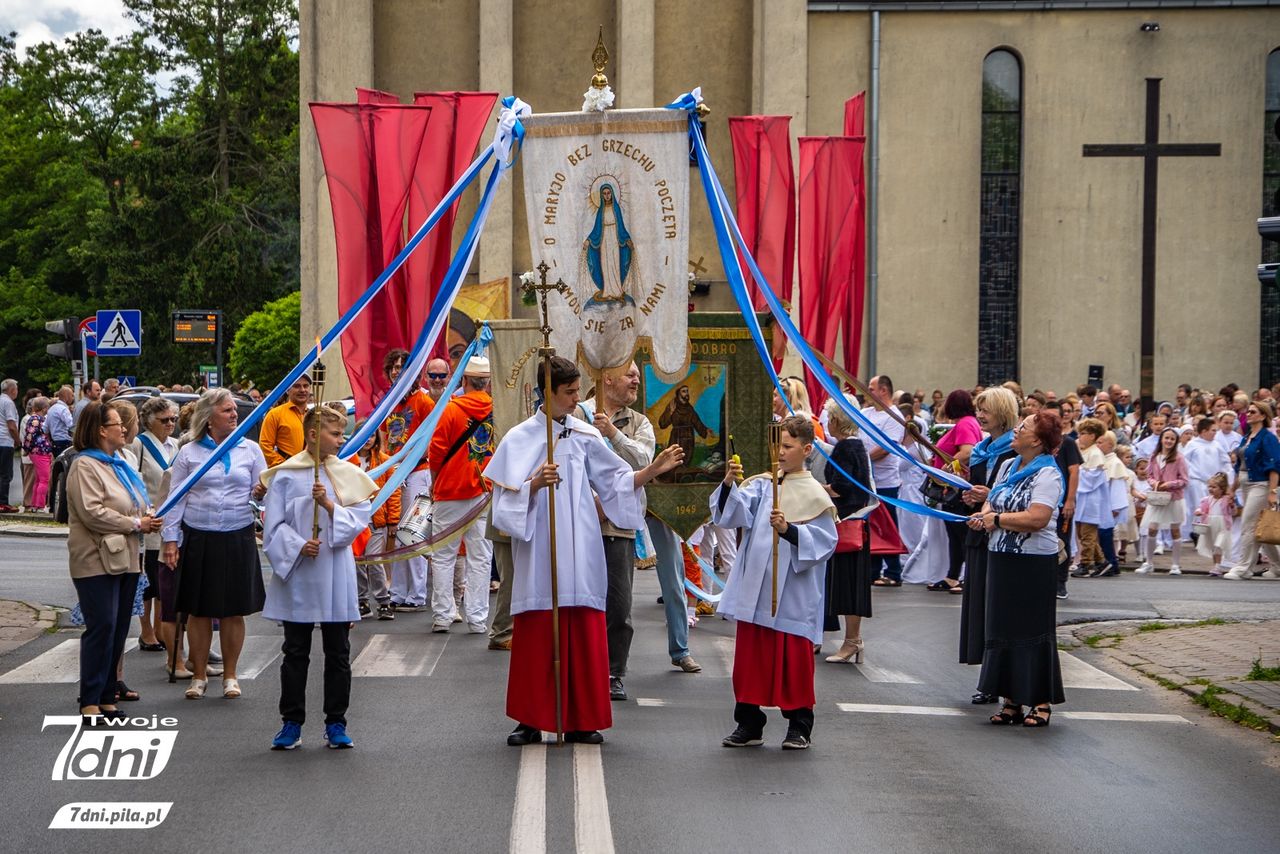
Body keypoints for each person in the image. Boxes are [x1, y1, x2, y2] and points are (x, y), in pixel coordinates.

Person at [485, 356, 682, 747]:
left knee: (582, 632)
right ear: (548, 393)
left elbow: (617, 483)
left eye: (578, 391)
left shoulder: (585, 434)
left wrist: (651, 472)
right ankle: (530, 718)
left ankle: (581, 718)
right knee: (539, 632)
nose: (579, 399)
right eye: (570, 392)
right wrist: (534, 484)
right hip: (541, 552)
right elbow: (502, 505)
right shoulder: (520, 438)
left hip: (582, 550)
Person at [713, 415, 837, 750]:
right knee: (751, 661)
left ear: (807, 449)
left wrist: (790, 531)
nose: (779, 452)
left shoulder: (815, 495)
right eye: (777, 444)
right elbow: (732, 515)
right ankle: (749, 722)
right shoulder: (763, 484)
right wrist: (729, 484)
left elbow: (826, 542)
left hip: (793, 593)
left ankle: (799, 724)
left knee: (793, 662)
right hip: (757, 590)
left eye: (787, 446)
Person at [261, 405, 377, 750]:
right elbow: (272, 528)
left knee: (338, 651)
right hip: (299, 571)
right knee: (295, 650)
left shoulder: (347, 473)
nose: (341, 441)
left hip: (334, 572)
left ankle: (336, 721)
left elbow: (359, 521)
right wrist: (298, 545)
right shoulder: (285, 475)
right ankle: (291, 722)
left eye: (341, 434)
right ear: (313, 435)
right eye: (335, 434)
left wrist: (328, 505)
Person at [161, 388, 268, 700]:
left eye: (235, 410)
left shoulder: (249, 449)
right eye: (227, 410)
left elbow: (260, 491)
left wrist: (260, 493)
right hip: (199, 535)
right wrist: (171, 539)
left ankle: (231, 675)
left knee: (234, 609)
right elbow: (175, 498)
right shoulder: (190, 453)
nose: (234, 415)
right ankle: (198, 675)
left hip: (238, 533)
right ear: (209, 417)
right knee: (199, 609)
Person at [64, 401, 162, 722]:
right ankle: (89, 699)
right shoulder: (85, 466)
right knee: (102, 626)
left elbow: (129, 504)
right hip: (95, 559)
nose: (124, 428)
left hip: (126, 558)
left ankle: (107, 696)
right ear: (101, 430)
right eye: (117, 423)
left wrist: (144, 516)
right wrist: (136, 524)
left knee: (118, 629)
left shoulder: (115, 464)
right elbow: (93, 512)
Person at [968, 410, 1066, 729]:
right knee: (1003, 626)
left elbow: (1038, 518)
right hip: (1002, 555)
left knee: (1031, 630)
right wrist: (984, 517)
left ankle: (1039, 700)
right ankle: (1010, 698)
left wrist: (996, 520)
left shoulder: (1048, 474)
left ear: (1036, 440)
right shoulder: (1010, 465)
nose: (1016, 429)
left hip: (1033, 561)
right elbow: (993, 501)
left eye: (1023, 427)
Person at [426, 355, 495, 634]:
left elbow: (436, 451)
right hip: (483, 490)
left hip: (450, 489)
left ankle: (443, 615)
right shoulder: (495, 409)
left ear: (463, 381)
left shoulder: (451, 410)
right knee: (481, 556)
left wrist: (434, 482)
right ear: (487, 382)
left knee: (444, 555)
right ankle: (477, 618)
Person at [959, 387, 1019, 703]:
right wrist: (971, 496)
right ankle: (988, 677)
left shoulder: (1014, 450)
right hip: (979, 530)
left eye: (986, 411)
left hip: (1000, 532)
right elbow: (980, 489)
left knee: (995, 608)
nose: (980, 416)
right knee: (980, 607)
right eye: (978, 410)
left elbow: (1008, 492)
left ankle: (996, 680)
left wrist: (987, 498)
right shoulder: (983, 449)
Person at [820, 396, 876, 665]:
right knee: (847, 583)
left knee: (847, 583)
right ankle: (851, 641)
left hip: (846, 522)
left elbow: (841, 487)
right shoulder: (856, 446)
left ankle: (852, 641)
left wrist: (816, 490)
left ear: (835, 420)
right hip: (854, 523)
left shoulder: (845, 448)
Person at [379, 348, 436, 612]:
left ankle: (416, 594)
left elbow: (431, 440)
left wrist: (408, 463)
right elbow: (383, 438)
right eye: (393, 366)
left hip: (416, 472)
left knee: (411, 532)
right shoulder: (389, 401)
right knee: (396, 533)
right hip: (394, 473)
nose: (396, 371)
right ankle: (399, 592)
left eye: (402, 367)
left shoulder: (423, 402)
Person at [131, 398, 180, 661]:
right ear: (149, 421)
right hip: (147, 518)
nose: (170, 424)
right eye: (164, 420)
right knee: (147, 579)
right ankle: (146, 630)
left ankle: (162, 628)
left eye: (173, 419)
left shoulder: (176, 445)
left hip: (169, 520)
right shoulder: (139, 444)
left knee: (164, 580)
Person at [929, 389, 980, 593]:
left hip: (956, 486)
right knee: (954, 534)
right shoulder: (967, 423)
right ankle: (952, 575)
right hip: (953, 485)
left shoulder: (965, 423)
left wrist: (947, 468)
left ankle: (968, 576)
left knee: (960, 533)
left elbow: (967, 450)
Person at [1224, 400, 1280, 580]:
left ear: (1263, 416)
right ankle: (1278, 566)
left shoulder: (1268, 438)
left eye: (1253, 412)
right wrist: (1232, 489)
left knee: (1248, 524)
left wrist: (1272, 492)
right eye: (1248, 411)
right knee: (1259, 526)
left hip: (1260, 485)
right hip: (1245, 483)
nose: (1248, 414)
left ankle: (1243, 567)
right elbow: (1240, 466)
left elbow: (1274, 466)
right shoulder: (1247, 436)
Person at [864, 376, 907, 587]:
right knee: (871, 524)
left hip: (885, 480)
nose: (867, 392)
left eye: (871, 389)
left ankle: (893, 570)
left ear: (883, 391)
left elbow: (887, 447)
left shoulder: (894, 417)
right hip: (867, 479)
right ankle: (873, 569)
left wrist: (863, 459)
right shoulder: (866, 413)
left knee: (887, 524)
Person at [354, 431, 398, 620]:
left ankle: (383, 600)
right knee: (358, 563)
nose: (369, 439)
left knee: (374, 561)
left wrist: (393, 520)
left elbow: (393, 491)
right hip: (355, 519)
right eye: (365, 435)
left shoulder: (384, 461)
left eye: (372, 435)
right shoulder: (348, 461)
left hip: (376, 520)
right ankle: (362, 601)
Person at [1137, 428, 1189, 575]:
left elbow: (1184, 480)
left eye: (1172, 439)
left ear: (1176, 442)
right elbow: (1150, 475)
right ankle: (1149, 562)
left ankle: (1175, 565)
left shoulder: (1179, 458)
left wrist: (1170, 484)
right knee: (1152, 527)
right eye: (1166, 438)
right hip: (1158, 497)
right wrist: (1155, 483)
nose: (1169, 441)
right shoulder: (1154, 456)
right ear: (1161, 439)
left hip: (1174, 498)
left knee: (1175, 529)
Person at [1071, 418, 1110, 576]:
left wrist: (1077, 471)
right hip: (1082, 498)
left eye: (1083, 433)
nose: (1079, 436)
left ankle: (1087, 564)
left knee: (1088, 533)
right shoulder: (1083, 451)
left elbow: (1092, 477)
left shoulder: (1095, 453)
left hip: (1091, 499)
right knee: (1082, 532)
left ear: (1093, 436)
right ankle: (1101, 561)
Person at [1184, 417, 1233, 536]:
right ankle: (1196, 532)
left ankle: (1211, 531)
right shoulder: (1192, 444)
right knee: (1198, 507)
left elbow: (1225, 461)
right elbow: (1185, 461)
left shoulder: (1217, 444)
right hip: (1197, 481)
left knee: (1213, 507)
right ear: (1204, 431)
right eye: (1213, 430)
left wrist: (1226, 475)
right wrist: (1194, 473)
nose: (1215, 433)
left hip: (1215, 483)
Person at [259, 374, 311, 467]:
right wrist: (283, 465)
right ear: (287, 390)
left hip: (310, 470)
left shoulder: (315, 415)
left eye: (305, 386)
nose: (302, 390)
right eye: (296, 386)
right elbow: (265, 445)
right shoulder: (275, 414)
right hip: (285, 471)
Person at [1194, 473, 1235, 574]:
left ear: (1222, 488)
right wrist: (1199, 511)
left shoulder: (1226, 500)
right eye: (1209, 486)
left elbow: (1233, 513)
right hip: (1210, 524)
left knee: (1218, 545)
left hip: (1222, 525)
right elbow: (1202, 508)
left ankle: (1217, 566)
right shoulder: (1207, 500)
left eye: (1214, 487)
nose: (1211, 489)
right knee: (1213, 546)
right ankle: (1216, 566)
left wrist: (1232, 506)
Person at [23, 397, 54, 514]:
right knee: (44, 480)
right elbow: (30, 436)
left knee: (38, 480)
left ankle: (34, 504)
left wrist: (27, 449)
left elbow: (28, 436)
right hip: (41, 452)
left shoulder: (33, 418)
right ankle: (40, 505)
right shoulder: (38, 420)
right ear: (44, 408)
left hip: (35, 453)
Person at [0, 379, 19, 512]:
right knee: (5, 474)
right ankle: (3, 503)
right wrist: (17, 440)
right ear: (12, 390)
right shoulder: (8, 403)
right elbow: (11, 425)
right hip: (5, 441)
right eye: (16, 389)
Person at [46, 386, 75, 457]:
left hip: (55, 442)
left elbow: (45, 428)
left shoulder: (51, 409)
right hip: (65, 442)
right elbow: (71, 426)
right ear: (66, 396)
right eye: (72, 395)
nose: (73, 398)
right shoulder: (63, 409)